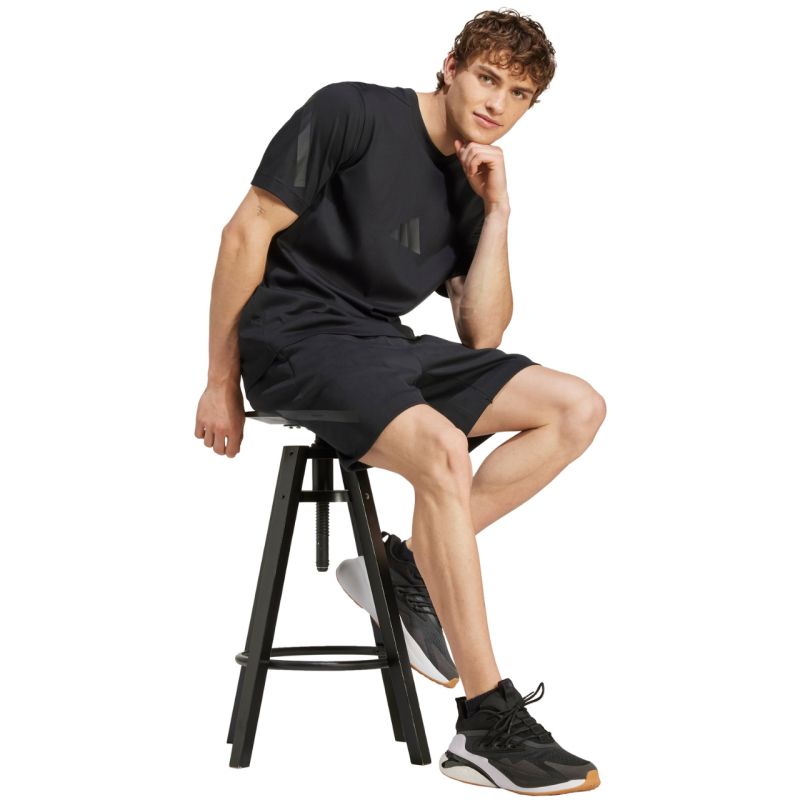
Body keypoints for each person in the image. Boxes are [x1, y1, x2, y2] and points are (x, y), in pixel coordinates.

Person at [195, 8, 605, 795]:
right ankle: (485, 720)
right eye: (487, 77)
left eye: (519, 94)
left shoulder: (471, 178)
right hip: (296, 341)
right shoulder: (350, 111)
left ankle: (405, 566)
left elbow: (482, 332)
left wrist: (498, 212)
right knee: (444, 450)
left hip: (383, 346)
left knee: (576, 407)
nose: (498, 103)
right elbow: (244, 233)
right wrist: (221, 381)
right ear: (451, 65)